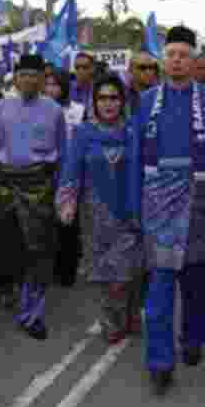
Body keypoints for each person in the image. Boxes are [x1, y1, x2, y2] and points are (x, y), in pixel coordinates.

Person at [127, 25, 205, 395]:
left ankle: (193, 338)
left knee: (194, 280)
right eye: (170, 54)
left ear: (194, 62)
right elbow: (134, 159)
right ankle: (159, 362)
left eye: (183, 55)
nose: (176, 61)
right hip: (157, 203)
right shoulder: (145, 103)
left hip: (200, 202)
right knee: (159, 284)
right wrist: (134, 205)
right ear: (163, 59)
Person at [0, 53, 67, 340]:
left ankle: (35, 313)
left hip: (39, 188)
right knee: (11, 249)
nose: (29, 79)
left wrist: (63, 194)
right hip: (6, 186)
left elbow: (63, 155)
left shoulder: (54, 110)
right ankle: (20, 299)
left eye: (35, 74)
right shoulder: (1, 108)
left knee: (39, 251)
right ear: (15, 77)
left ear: (43, 78)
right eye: (23, 74)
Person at [57, 75, 144, 344]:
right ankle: (112, 318)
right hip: (95, 214)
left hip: (130, 211)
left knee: (130, 270)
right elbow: (71, 170)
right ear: (94, 102)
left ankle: (129, 313)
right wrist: (67, 202)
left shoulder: (133, 132)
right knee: (106, 273)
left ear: (123, 101)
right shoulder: (83, 133)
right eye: (102, 98)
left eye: (114, 98)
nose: (108, 104)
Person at [44, 69, 87, 287]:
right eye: (48, 84)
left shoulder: (78, 111)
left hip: (70, 173)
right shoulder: (39, 109)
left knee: (68, 222)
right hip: (45, 172)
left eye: (55, 84)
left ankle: (67, 269)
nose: (51, 89)